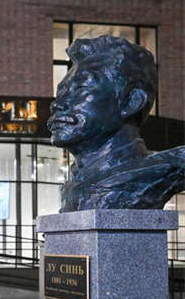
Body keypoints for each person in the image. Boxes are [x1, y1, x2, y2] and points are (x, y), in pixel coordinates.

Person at [49, 35, 185, 212]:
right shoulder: (75, 184)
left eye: (82, 88)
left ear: (132, 102)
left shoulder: (159, 170)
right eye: (61, 93)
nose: (57, 104)